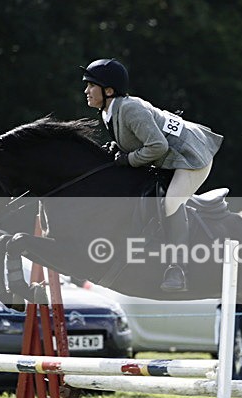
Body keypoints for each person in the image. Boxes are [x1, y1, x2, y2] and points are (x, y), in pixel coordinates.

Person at [82, 57, 224, 292]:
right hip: (168, 157)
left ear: (108, 90)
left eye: (91, 85)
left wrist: (129, 159)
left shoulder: (129, 109)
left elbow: (158, 147)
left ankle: (177, 268)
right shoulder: (110, 110)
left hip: (191, 157)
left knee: (171, 203)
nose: (86, 91)